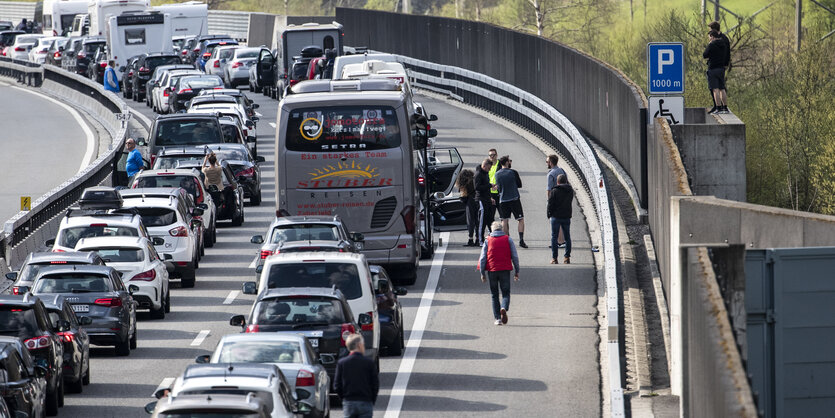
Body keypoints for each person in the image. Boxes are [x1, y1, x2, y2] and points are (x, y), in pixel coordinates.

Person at [478, 221, 520, 325]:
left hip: (492, 271)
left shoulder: (488, 240)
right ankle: (504, 307)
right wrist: (517, 270)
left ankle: (498, 319)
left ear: (492, 230)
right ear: (501, 229)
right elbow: (514, 256)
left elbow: (483, 258)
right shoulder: (508, 239)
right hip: (505, 270)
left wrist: (482, 273)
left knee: (494, 294)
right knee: (505, 293)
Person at [334, 334, 378, 418]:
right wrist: (372, 399)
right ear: (359, 345)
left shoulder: (342, 363)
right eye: (363, 344)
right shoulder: (368, 363)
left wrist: (344, 398)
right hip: (365, 401)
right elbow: (375, 384)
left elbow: (337, 385)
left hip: (349, 401)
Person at [494, 156, 527, 248]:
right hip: (514, 198)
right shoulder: (513, 172)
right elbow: (519, 185)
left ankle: (505, 240)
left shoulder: (497, 174)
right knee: (520, 219)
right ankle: (521, 240)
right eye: (509, 161)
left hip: (503, 199)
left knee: (504, 220)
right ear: (507, 162)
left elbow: (498, 188)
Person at [547, 174, 574, 264]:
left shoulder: (554, 191)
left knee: (554, 237)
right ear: (566, 181)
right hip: (566, 216)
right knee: (567, 237)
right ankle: (567, 257)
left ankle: (554, 258)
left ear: (557, 182)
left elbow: (550, 204)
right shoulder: (570, 190)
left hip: (556, 216)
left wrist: (549, 214)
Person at [708, 21, 731, 114]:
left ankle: (718, 107)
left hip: (716, 66)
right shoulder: (724, 38)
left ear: (713, 30)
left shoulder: (721, 39)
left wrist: (725, 63)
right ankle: (720, 106)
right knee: (720, 87)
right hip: (721, 66)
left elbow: (727, 52)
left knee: (716, 88)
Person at [703, 30, 728, 114]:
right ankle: (725, 107)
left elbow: (705, 55)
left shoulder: (712, 45)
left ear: (712, 36)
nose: (709, 39)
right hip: (721, 68)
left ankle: (718, 107)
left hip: (713, 68)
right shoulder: (723, 44)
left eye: (709, 37)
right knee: (722, 88)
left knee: (715, 89)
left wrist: (709, 45)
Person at [546, 154, 566, 247]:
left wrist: (549, 202)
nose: (546, 163)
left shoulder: (550, 174)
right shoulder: (562, 170)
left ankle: (559, 241)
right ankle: (562, 240)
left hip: (555, 200)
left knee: (555, 221)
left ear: (551, 162)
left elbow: (549, 190)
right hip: (563, 199)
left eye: (547, 162)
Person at [455, 168, 478, 246]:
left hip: (470, 202)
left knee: (470, 221)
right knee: (477, 220)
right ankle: (478, 238)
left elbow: (463, 197)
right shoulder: (474, 180)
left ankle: (470, 239)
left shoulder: (463, 184)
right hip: (478, 200)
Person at [474, 158, 494, 245]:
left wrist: (490, 198)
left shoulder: (486, 174)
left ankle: (492, 236)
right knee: (481, 221)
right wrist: (489, 185)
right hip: (481, 199)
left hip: (487, 199)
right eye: (488, 168)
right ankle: (480, 240)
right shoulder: (478, 174)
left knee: (489, 219)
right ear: (484, 166)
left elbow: (487, 189)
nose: (489, 170)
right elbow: (477, 187)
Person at [487, 149, 499, 225]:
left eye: (493, 155)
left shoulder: (500, 164)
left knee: (503, 216)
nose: (492, 156)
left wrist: (498, 185)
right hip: (490, 193)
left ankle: (505, 235)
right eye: (490, 155)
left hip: (499, 193)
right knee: (490, 215)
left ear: (496, 155)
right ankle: (492, 233)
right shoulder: (487, 165)